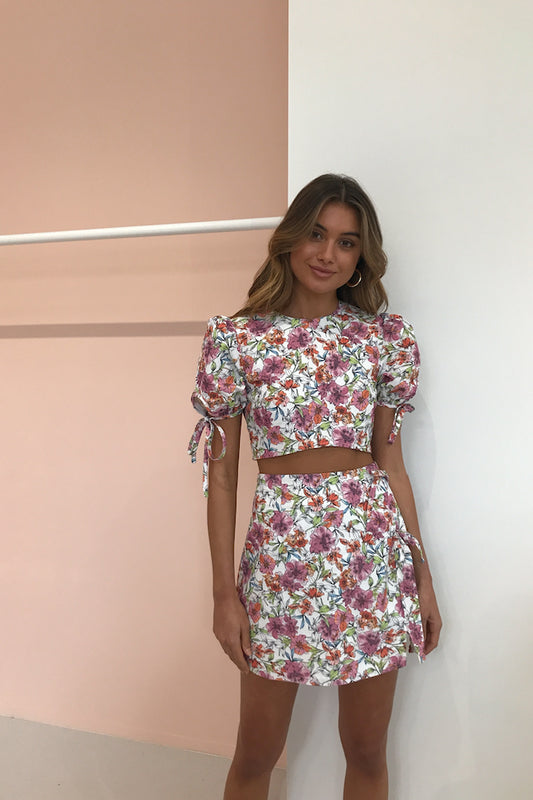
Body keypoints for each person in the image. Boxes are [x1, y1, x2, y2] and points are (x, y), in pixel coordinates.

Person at [188, 174, 442, 800]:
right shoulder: (237, 340)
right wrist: (224, 595)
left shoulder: (381, 340)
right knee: (255, 754)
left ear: (361, 256)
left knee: (366, 751)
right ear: (291, 238)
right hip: (280, 566)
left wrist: (421, 575)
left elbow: (392, 465)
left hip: (372, 562)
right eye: (317, 235)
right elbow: (222, 476)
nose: (329, 254)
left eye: (347, 242)